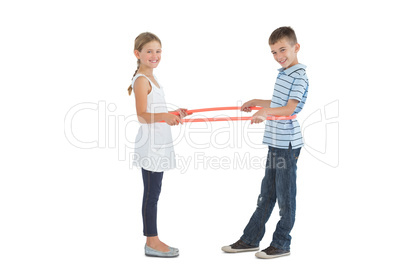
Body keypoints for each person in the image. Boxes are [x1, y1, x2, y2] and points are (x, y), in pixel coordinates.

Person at [222, 26, 309, 259]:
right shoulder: (284, 73)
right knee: (266, 195)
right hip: (275, 142)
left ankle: (281, 244)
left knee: (285, 196)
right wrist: (258, 102)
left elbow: (290, 108)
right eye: (273, 52)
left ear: (295, 47)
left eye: (283, 50)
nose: (279, 56)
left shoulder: (299, 75)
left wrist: (266, 113)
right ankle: (250, 239)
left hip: (287, 144)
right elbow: (279, 101)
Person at [127, 32, 189, 258]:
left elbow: (154, 110)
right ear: (138, 54)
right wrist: (165, 115)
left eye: (158, 51)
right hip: (151, 146)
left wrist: (173, 113)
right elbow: (142, 115)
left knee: (154, 192)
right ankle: (151, 241)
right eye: (149, 51)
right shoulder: (142, 80)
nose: (155, 55)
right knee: (151, 194)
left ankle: (153, 239)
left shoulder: (152, 79)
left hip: (159, 144)